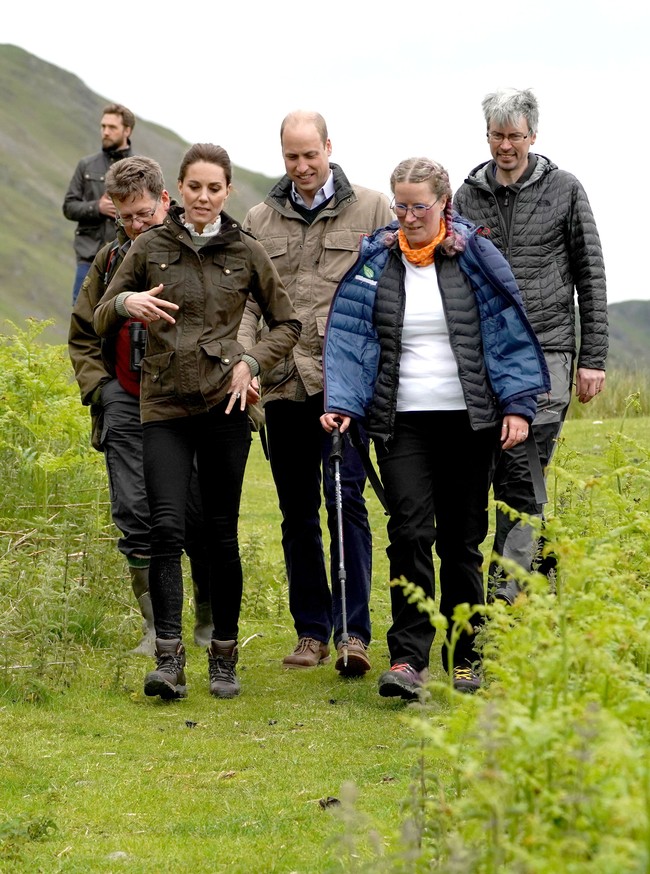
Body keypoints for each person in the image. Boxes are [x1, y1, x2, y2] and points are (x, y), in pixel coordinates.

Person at [320, 157, 550, 699]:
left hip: (469, 420)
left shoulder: (475, 255)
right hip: (401, 422)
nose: (407, 216)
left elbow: (507, 332)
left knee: (462, 540)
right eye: (399, 205)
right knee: (409, 532)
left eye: (418, 206)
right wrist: (343, 402)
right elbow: (352, 339)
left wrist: (517, 405)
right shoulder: (377, 258)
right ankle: (408, 658)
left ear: (444, 203)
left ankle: (466, 657)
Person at [94, 143, 301, 701]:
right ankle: (168, 660)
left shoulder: (247, 251)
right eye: (195, 187)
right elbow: (98, 312)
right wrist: (127, 303)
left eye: (214, 188)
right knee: (164, 528)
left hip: (223, 407)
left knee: (219, 533)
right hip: (162, 407)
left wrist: (252, 363)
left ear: (227, 191)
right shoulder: (148, 247)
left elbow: (287, 324)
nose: (204, 197)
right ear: (178, 191)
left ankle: (224, 657)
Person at [239, 111, 393, 677]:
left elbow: (390, 295)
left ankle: (354, 633)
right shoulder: (259, 217)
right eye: (291, 157)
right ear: (282, 155)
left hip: (343, 389)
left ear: (329, 147)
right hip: (282, 387)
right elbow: (249, 302)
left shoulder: (374, 209)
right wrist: (246, 364)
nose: (302, 168)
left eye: (311, 155)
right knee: (296, 514)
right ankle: (311, 632)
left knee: (346, 503)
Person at [453, 88, 608, 603]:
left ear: (532, 136)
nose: (505, 145)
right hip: (488, 356)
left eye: (514, 135)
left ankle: (504, 594)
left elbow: (591, 276)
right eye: (497, 135)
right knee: (507, 469)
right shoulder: (467, 196)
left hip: (550, 351)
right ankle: (543, 571)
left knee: (524, 463)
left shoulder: (566, 189)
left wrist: (594, 358)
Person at [68, 155, 213, 657]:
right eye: (124, 217)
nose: (134, 226)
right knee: (134, 512)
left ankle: (208, 624)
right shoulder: (108, 261)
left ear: (164, 203)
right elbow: (83, 334)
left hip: (186, 403)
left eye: (144, 215)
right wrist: (101, 391)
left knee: (196, 514)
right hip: (126, 402)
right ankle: (154, 633)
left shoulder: (197, 254)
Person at [63, 103, 135, 305]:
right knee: (82, 315)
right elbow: (69, 206)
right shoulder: (86, 165)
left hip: (125, 259)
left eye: (112, 128)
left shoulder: (138, 167)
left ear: (127, 130)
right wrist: (97, 207)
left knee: (120, 319)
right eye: (103, 126)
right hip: (88, 258)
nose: (105, 132)